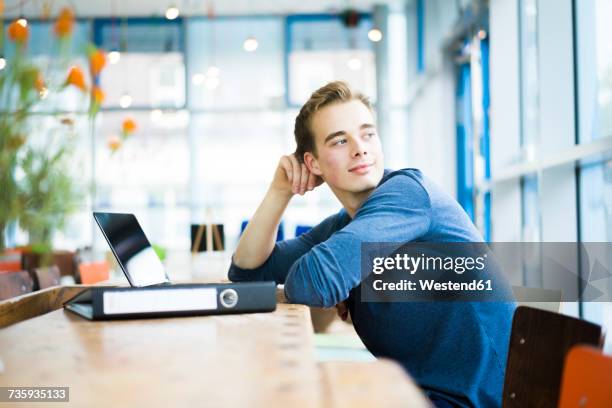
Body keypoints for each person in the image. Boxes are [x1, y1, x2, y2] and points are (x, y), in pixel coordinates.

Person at [228, 81, 515, 407]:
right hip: (417, 394)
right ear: (313, 164)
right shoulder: (347, 223)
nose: (360, 148)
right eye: (339, 140)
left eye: (368, 134)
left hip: (477, 401)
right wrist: (280, 191)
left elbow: (316, 281)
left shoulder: (408, 195)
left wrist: (336, 282)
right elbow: (249, 272)